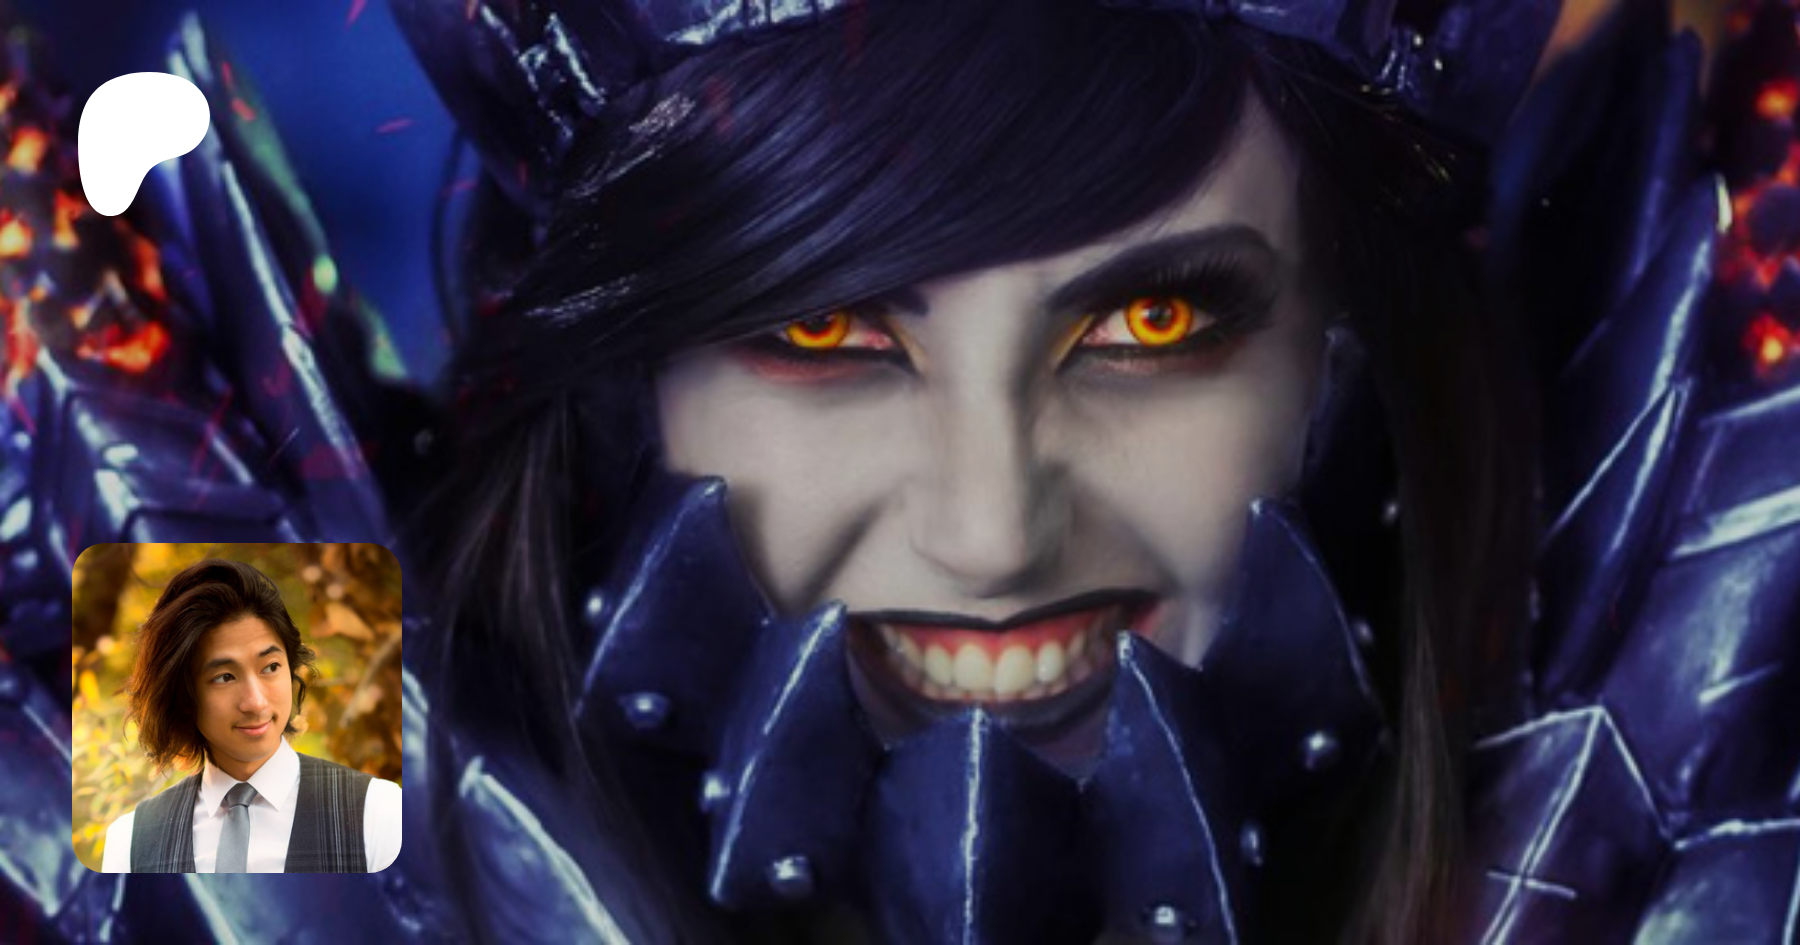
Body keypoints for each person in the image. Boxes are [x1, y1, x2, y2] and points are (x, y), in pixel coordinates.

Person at [403, 1, 1540, 940]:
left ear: (1351, 365)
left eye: (1150, 322)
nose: (992, 539)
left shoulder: (1618, 849)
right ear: (627, 395)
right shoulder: (319, 778)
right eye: (822, 330)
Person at [99, 558, 402, 874]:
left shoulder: (379, 814)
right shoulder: (130, 843)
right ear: (183, 695)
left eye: (270, 667)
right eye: (224, 677)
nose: (256, 702)